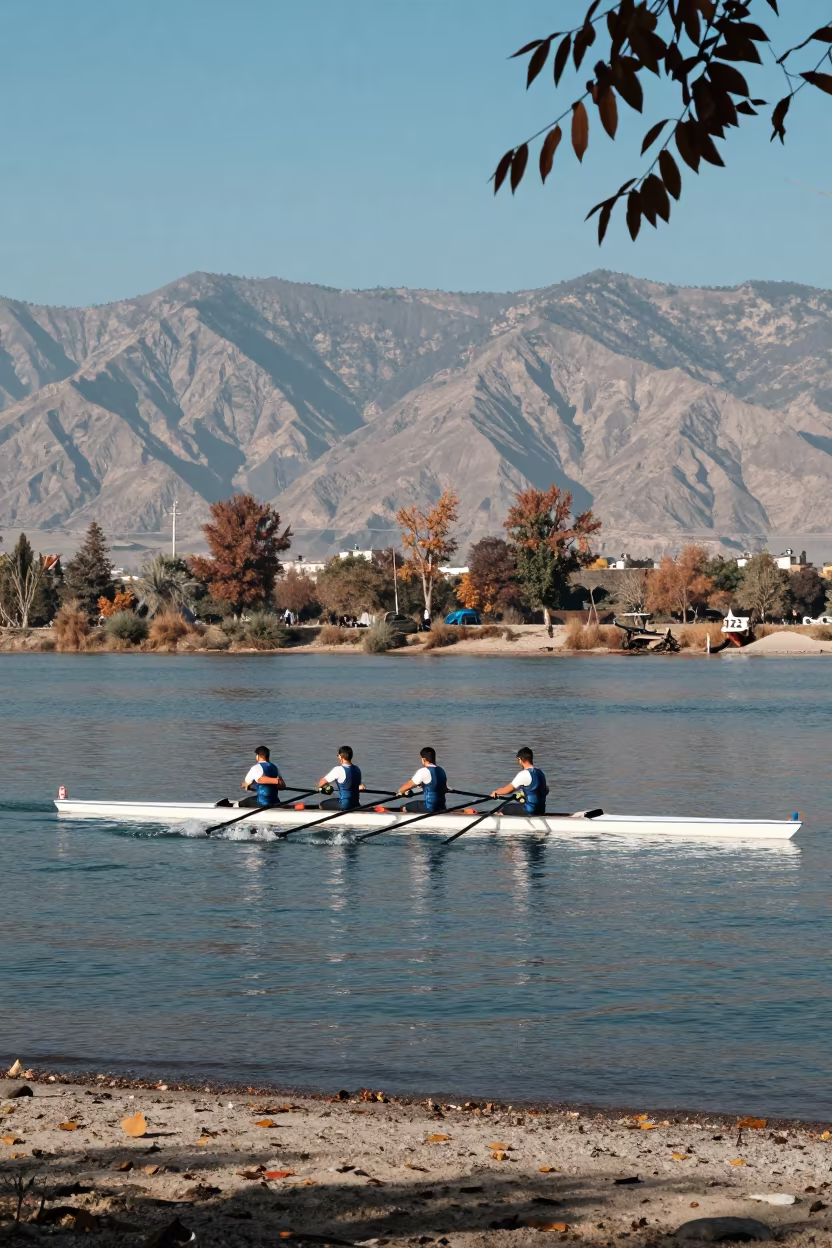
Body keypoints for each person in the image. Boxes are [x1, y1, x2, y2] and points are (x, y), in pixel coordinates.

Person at [490, 746, 548, 816]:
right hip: (541, 810)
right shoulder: (540, 772)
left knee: (505, 808)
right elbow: (545, 790)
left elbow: (509, 790)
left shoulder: (524, 774)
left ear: (520, 759)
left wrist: (496, 792)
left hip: (529, 810)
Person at [397, 746, 447, 814]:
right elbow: (443, 788)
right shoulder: (441, 771)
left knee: (403, 807)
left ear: (423, 759)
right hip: (442, 806)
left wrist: (400, 792)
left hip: (430, 808)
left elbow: (409, 784)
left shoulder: (423, 771)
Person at [316, 745, 365, 810]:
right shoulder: (357, 769)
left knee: (321, 805)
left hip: (345, 805)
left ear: (340, 756)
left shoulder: (338, 770)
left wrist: (319, 789)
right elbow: (357, 786)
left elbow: (321, 782)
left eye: (338, 756)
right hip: (356, 804)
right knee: (337, 800)